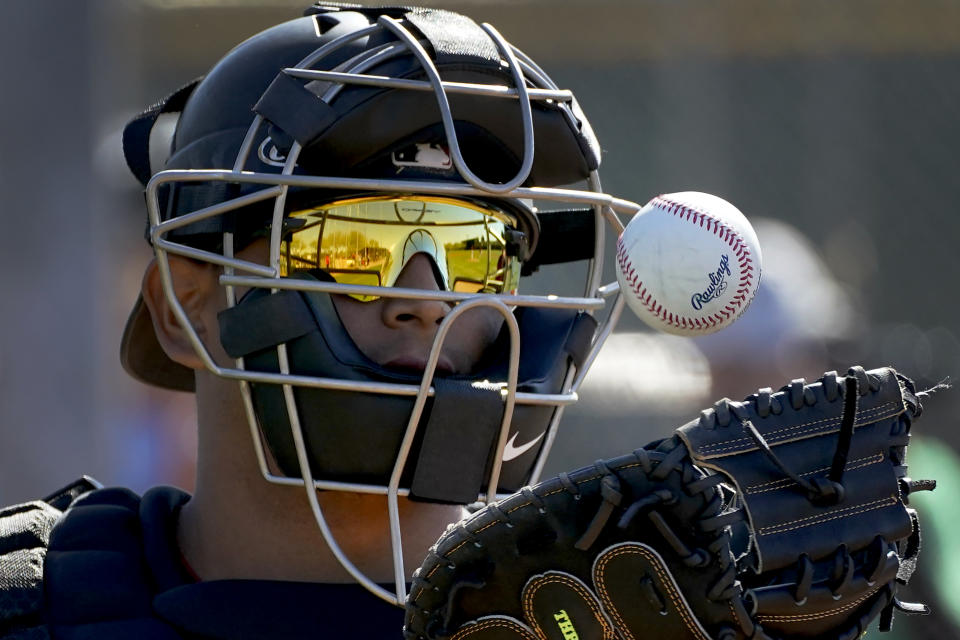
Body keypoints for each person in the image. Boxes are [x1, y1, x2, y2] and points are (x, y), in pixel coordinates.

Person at [0, 3, 636, 638]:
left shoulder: (600, 608)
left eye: (475, 251)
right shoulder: (40, 602)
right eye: (354, 246)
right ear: (183, 308)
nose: (427, 300)